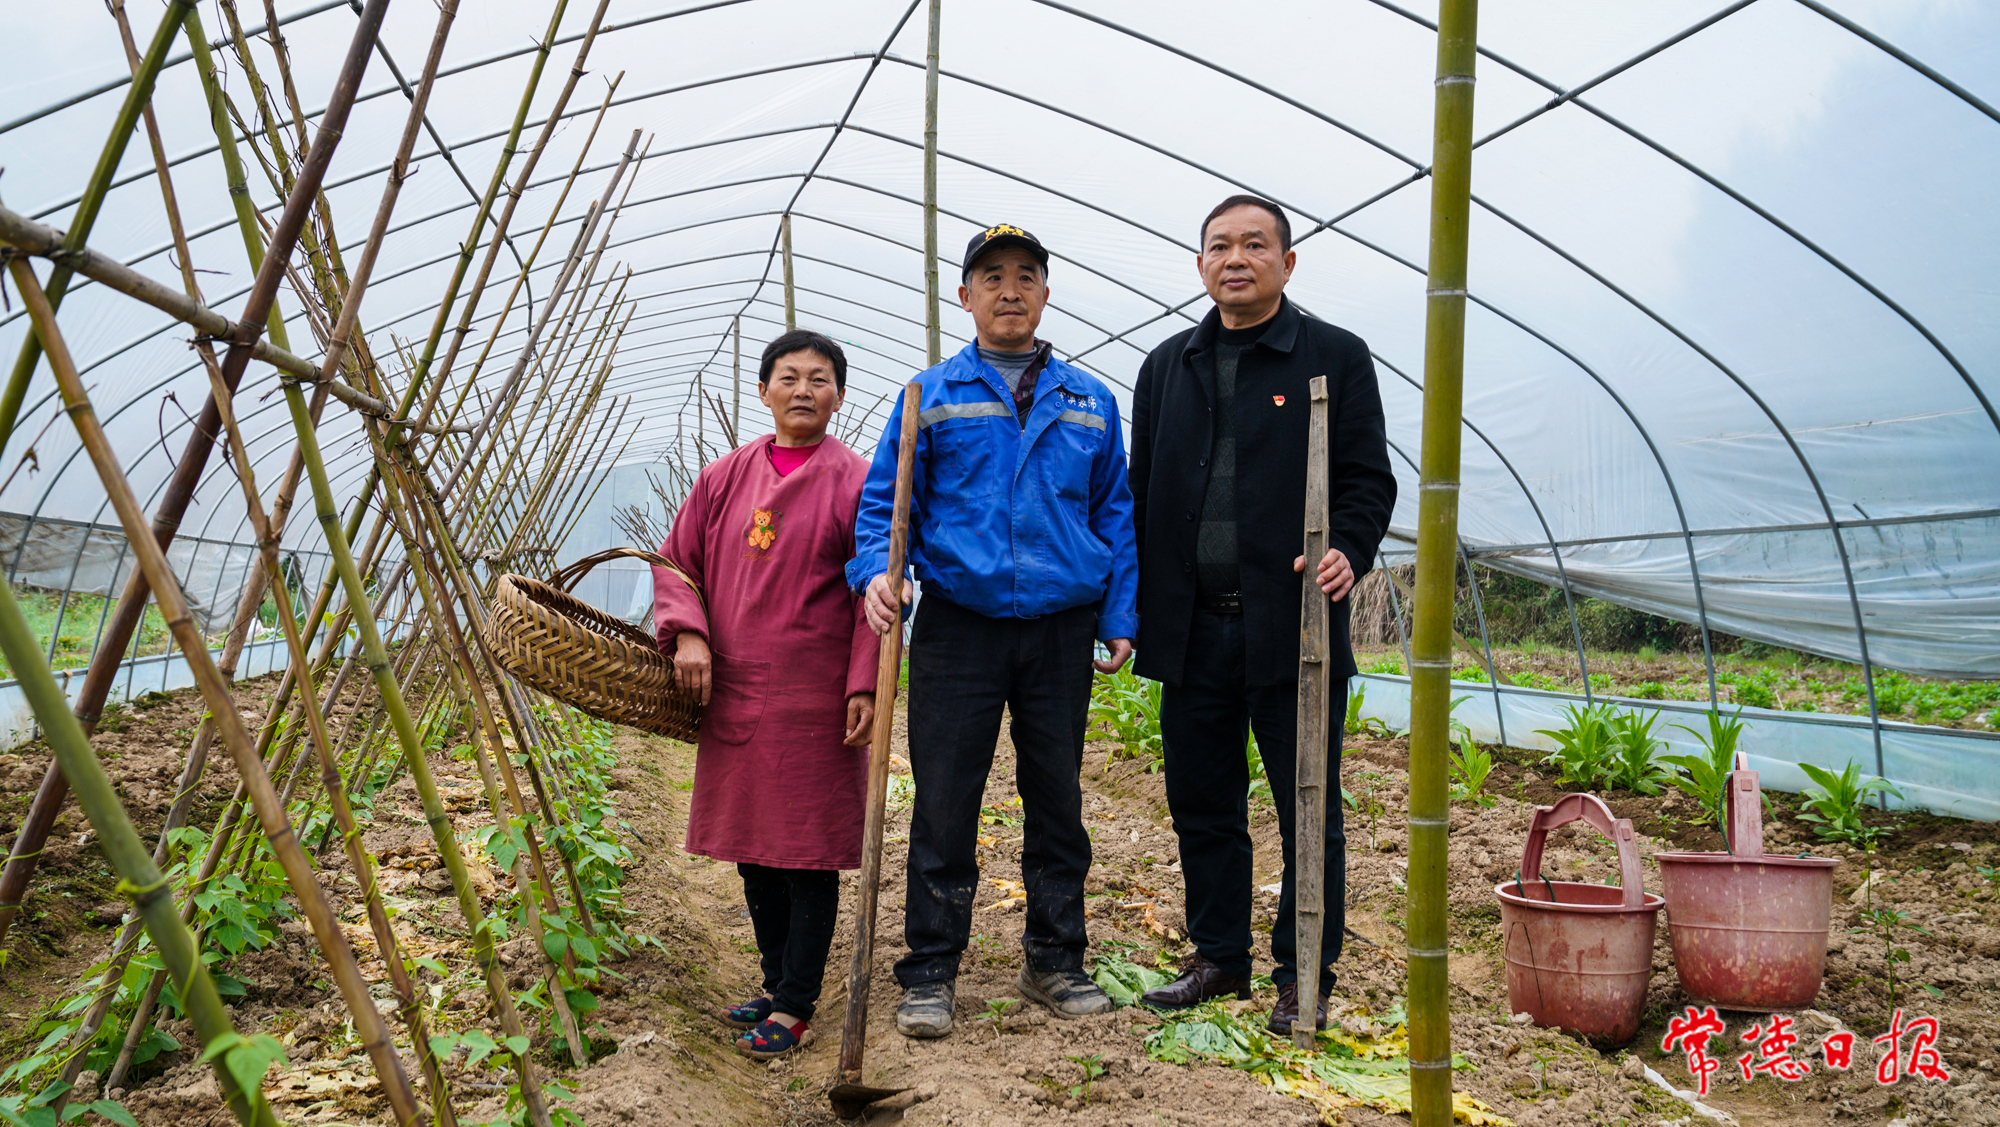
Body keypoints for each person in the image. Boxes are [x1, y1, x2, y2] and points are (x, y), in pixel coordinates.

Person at [850, 224, 1138, 1039]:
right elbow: (885, 505)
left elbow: (1114, 513)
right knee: (945, 799)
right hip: (959, 626)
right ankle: (930, 969)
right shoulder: (929, 395)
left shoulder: (1090, 401)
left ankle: (1055, 958)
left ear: (1045, 292)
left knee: (1057, 798)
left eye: (1025, 276)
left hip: (1059, 625)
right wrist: (878, 573)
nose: (1009, 290)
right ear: (966, 295)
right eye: (992, 276)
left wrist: (1119, 613)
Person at [1127, 195, 1396, 1033]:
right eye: (1219, 246)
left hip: (1294, 626)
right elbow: (1141, 495)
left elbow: (1368, 479)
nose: (1235, 259)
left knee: (1307, 802)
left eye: (1254, 244)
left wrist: (1347, 545)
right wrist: (1132, 607)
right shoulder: (1167, 366)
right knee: (1203, 801)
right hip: (1192, 626)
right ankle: (1220, 957)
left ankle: (1303, 971)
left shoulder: (1334, 356)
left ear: (1287, 261)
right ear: (1200, 264)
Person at [651, 329, 880, 1061]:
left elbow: (876, 595)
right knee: (754, 849)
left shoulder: (860, 482)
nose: (804, 389)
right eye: (789, 376)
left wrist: (865, 683)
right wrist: (688, 634)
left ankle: (796, 1003)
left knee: (806, 852)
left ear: (838, 396)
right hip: (735, 686)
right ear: (763, 391)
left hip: (817, 696)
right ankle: (776, 979)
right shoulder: (722, 477)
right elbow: (675, 563)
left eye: (820, 378)